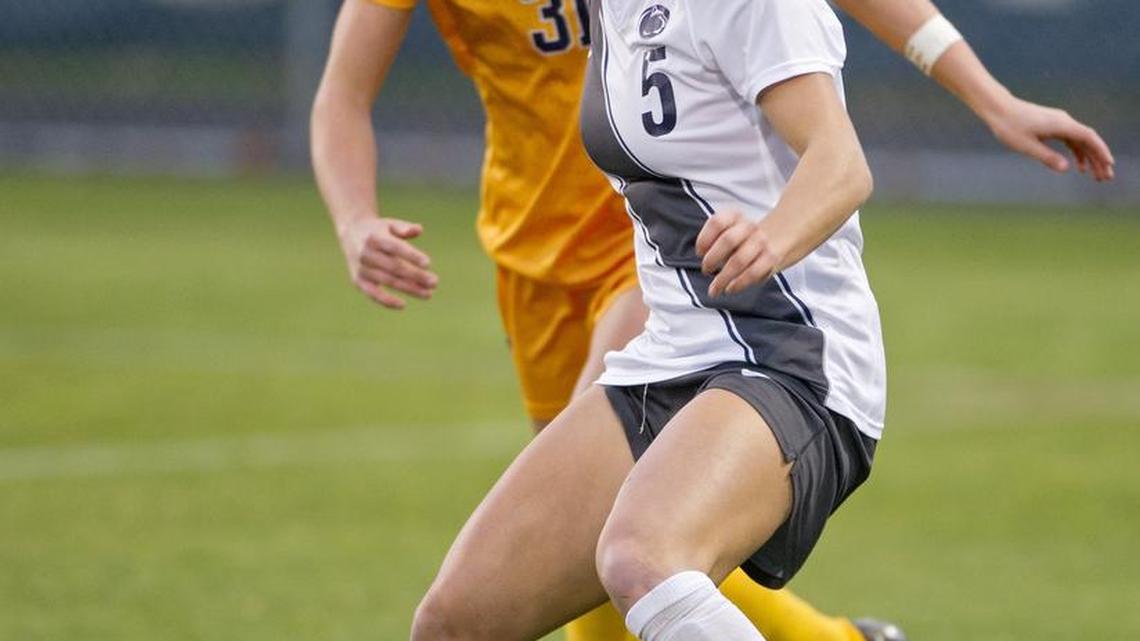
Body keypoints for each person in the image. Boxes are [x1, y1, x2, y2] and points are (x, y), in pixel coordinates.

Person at [310, 1, 1114, 639]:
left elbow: (842, 163)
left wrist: (773, 233)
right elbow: (343, 95)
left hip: (789, 354)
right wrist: (354, 222)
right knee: (454, 622)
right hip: (668, 345)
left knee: (639, 556)